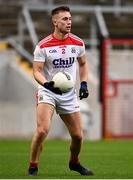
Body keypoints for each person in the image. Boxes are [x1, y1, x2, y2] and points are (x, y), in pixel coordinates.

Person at [28, 6, 93, 176]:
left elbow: (83, 64)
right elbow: (36, 70)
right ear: (55, 22)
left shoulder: (78, 43)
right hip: (48, 91)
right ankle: (33, 165)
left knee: (78, 136)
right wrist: (47, 84)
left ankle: (74, 162)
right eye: (64, 19)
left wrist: (84, 83)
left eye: (70, 19)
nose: (69, 22)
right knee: (42, 130)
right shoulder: (43, 45)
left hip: (68, 94)